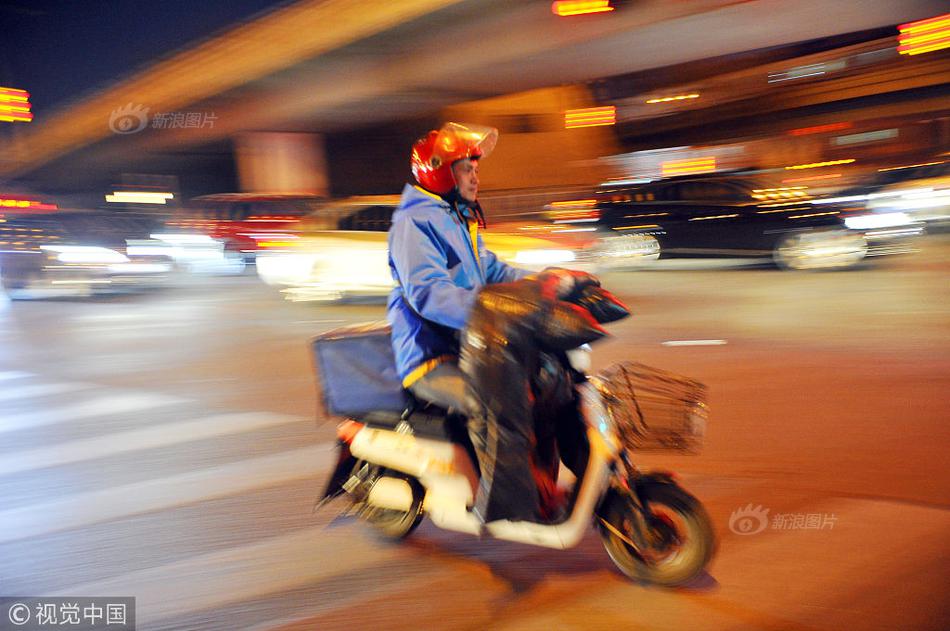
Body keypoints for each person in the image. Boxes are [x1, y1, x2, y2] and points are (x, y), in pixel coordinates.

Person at [387, 122, 547, 522]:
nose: (476, 174)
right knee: (489, 402)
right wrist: (492, 311)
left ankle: (535, 479)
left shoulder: (458, 218)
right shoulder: (415, 224)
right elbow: (428, 294)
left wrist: (542, 283)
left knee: (541, 382)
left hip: (474, 347)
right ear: (440, 170)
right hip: (431, 357)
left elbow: (491, 271)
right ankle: (497, 504)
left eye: (476, 166)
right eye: (466, 167)